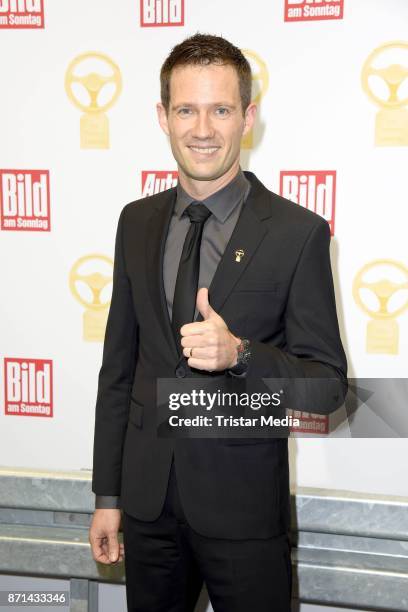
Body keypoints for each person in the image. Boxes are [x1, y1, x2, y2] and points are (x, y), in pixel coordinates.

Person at [89, 33, 348, 612]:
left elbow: (328, 385)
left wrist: (242, 355)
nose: (202, 129)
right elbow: (119, 370)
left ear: (248, 117)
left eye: (221, 109)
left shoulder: (297, 233)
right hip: (147, 507)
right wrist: (109, 493)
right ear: (163, 116)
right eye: (186, 109)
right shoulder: (135, 222)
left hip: (244, 515)